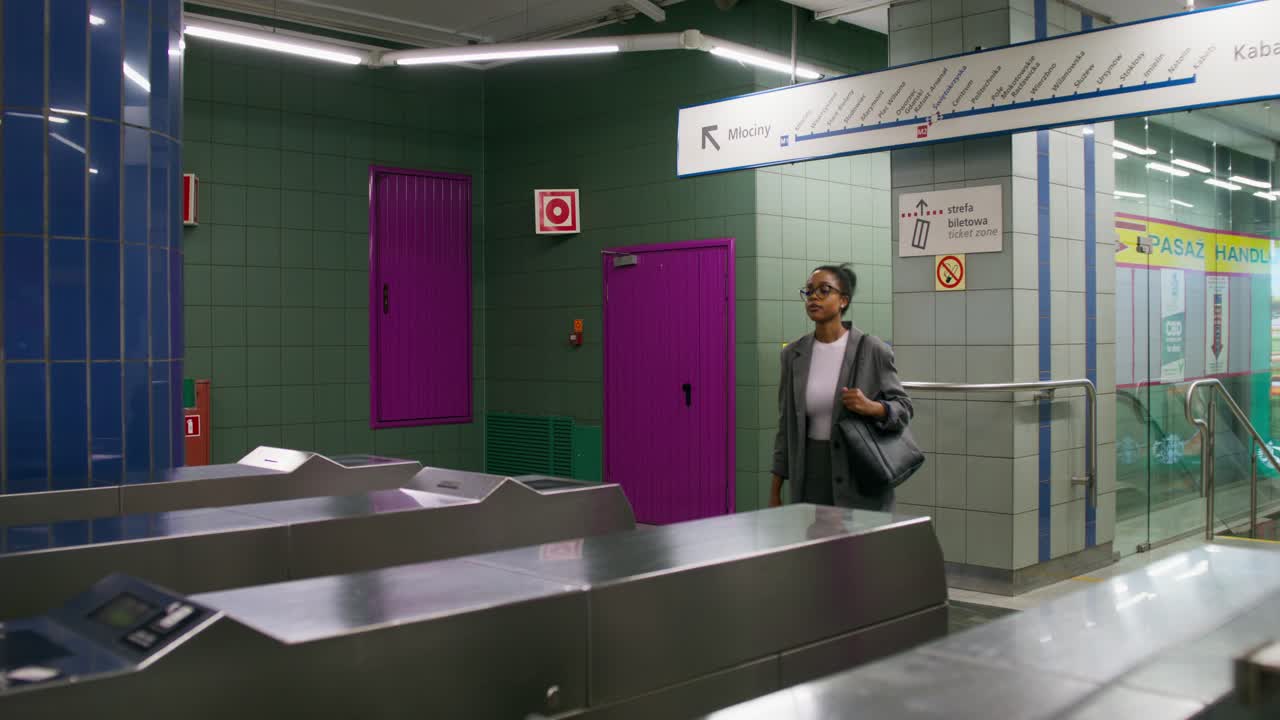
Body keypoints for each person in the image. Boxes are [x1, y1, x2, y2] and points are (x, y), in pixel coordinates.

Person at [769, 264, 913, 511]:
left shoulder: (872, 350)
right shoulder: (793, 355)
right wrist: (775, 490)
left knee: (859, 549)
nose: (814, 297)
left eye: (824, 290)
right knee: (813, 547)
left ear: (843, 300)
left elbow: (904, 409)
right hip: (810, 475)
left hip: (859, 474)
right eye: (809, 291)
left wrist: (873, 407)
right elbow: (786, 427)